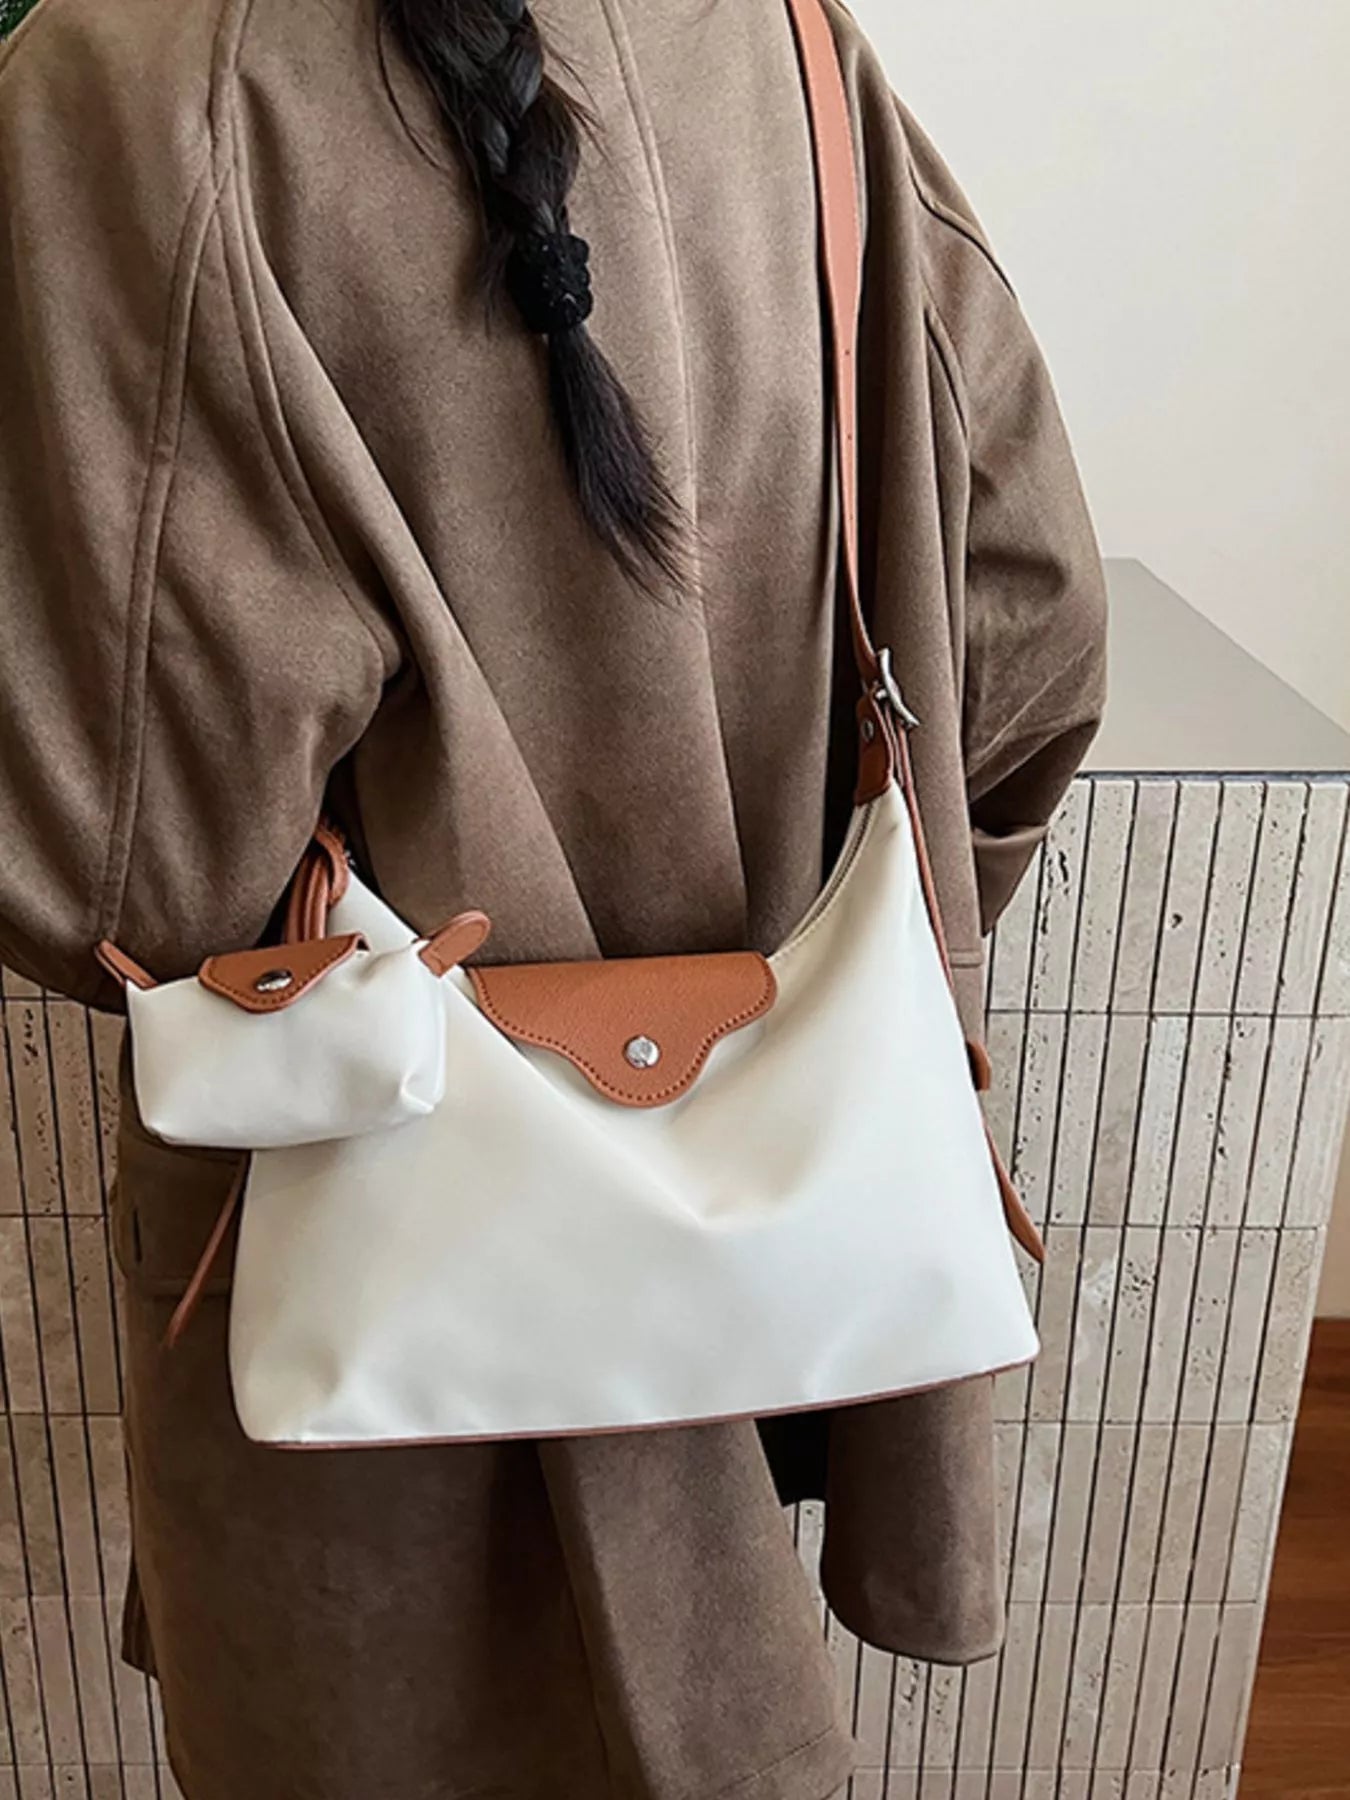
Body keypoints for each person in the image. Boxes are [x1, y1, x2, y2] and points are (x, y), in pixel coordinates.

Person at [0, 0, 1109, 1795]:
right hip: (795, 1250)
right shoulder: (781, 34)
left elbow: (120, 876)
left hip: (388, 1268)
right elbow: (1029, 614)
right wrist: (814, 998)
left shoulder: (134, 71)